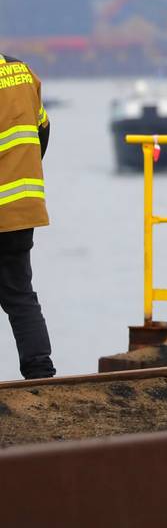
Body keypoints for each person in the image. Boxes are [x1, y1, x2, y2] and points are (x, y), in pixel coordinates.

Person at [0, 51, 55, 379]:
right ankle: (40, 371)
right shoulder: (21, 73)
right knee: (20, 294)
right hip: (21, 206)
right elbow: (42, 129)